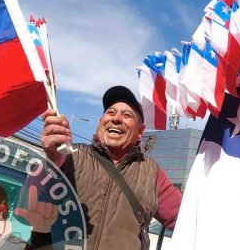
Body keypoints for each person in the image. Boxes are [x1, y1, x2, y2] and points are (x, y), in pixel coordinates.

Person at [41, 85, 182, 250]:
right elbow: (35, 200)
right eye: (110, 112)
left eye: (127, 115)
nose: (116, 118)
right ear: (100, 122)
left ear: (140, 131)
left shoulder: (153, 174)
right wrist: (51, 159)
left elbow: (189, 221)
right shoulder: (70, 155)